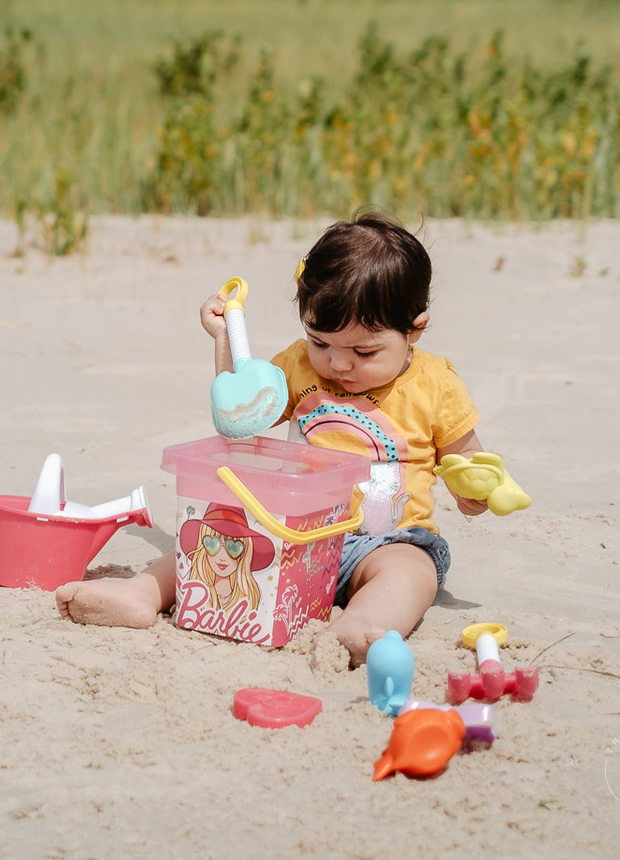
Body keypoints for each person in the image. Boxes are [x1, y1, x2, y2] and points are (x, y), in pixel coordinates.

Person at [56, 211, 492, 663]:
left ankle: (363, 624)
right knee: (211, 533)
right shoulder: (298, 366)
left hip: (383, 540)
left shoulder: (435, 385)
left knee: (411, 572)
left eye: (364, 351)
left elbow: (468, 460)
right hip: (291, 530)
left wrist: (473, 490)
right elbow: (238, 416)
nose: (338, 364)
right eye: (320, 342)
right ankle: (141, 593)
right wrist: (225, 339)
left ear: (414, 328)